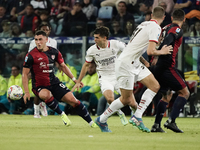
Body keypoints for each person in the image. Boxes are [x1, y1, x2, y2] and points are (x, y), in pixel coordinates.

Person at [94, 6, 173, 132]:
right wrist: (162, 51)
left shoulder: (144, 24)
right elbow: (151, 51)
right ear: (163, 18)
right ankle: (102, 119)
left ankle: (137, 116)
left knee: (154, 86)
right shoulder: (155, 27)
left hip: (135, 61)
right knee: (126, 99)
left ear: (152, 15)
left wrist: (144, 60)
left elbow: (136, 45)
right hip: (126, 64)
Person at [22, 30, 97, 128]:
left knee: (73, 101)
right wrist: (27, 92)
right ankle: (62, 114)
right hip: (39, 85)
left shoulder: (54, 52)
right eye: (36, 40)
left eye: (40, 39)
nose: (38, 42)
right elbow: (24, 74)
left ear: (46, 40)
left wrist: (75, 80)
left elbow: (63, 66)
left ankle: (92, 123)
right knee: (46, 95)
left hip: (54, 82)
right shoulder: (31, 55)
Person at [73, 26, 129, 126]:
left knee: (129, 99)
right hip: (105, 78)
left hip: (118, 76)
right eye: (94, 37)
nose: (94, 40)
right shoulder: (92, 50)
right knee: (110, 99)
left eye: (97, 37)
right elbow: (86, 65)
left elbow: (129, 51)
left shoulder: (115, 44)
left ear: (104, 38)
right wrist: (78, 81)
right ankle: (120, 113)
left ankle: (136, 115)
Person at [151, 9, 190, 133]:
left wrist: (155, 56)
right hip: (167, 65)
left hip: (158, 66)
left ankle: (156, 125)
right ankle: (171, 121)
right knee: (185, 93)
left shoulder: (164, 27)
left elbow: (156, 42)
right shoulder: (176, 29)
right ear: (184, 19)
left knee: (167, 95)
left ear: (172, 17)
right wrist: (160, 53)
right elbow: (169, 39)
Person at [28, 22, 57, 118]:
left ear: (49, 31)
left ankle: (43, 105)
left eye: (47, 30)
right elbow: (30, 56)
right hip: (37, 69)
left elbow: (55, 55)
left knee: (50, 89)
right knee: (38, 90)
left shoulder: (53, 42)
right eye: (43, 30)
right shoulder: (33, 42)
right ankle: (36, 112)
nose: (45, 31)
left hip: (49, 68)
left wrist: (58, 65)